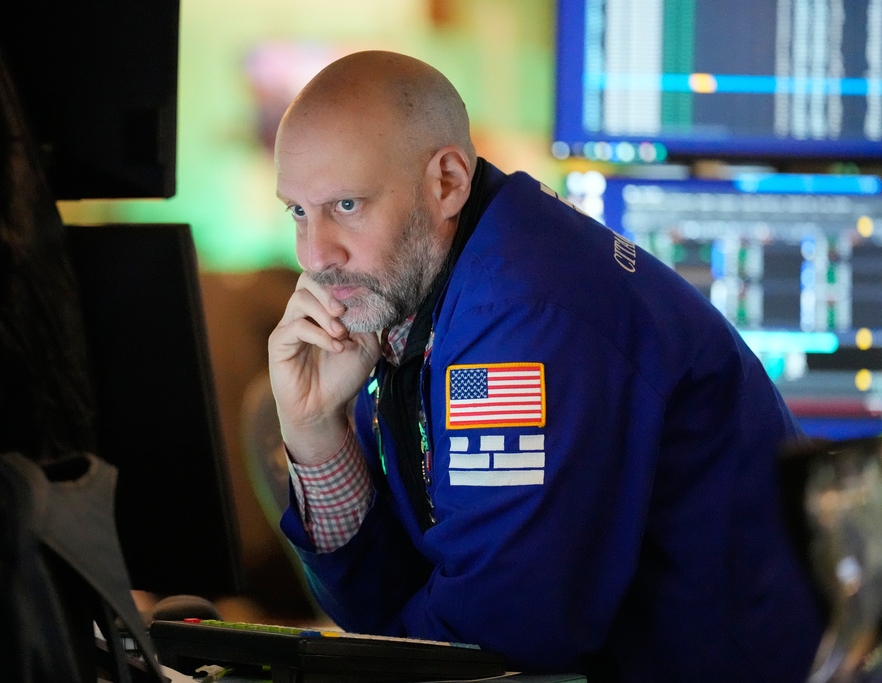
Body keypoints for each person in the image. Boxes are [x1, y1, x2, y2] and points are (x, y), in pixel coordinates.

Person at [270, 50, 824, 681]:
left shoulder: (522, 319)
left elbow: (489, 647)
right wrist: (317, 430)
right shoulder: (425, 293)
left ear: (446, 181)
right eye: (297, 210)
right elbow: (380, 611)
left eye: (346, 205)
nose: (315, 254)